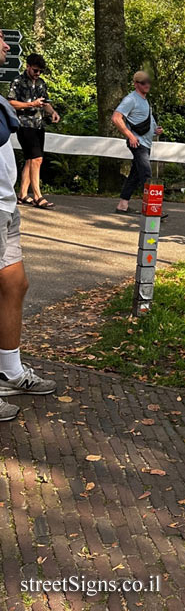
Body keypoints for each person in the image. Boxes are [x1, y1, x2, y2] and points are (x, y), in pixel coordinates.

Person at [0, 31, 57, 420]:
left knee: (15, 283)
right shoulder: (18, 86)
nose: (6, 46)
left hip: (5, 204)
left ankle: (9, 371)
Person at [7, 53, 60, 209]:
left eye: (40, 71)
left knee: (31, 159)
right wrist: (31, 105)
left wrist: (52, 112)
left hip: (38, 124)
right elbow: (10, 102)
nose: (38, 74)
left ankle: (22, 194)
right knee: (37, 159)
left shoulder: (41, 83)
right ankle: (38, 196)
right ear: (28, 67)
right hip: (24, 124)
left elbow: (45, 103)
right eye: (35, 70)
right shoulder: (18, 82)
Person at [111, 71, 163, 214]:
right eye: (143, 82)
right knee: (146, 174)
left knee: (134, 175)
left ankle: (122, 205)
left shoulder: (145, 101)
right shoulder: (131, 99)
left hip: (146, 143)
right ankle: (152, 208)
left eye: (148, 82)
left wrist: (155, 130)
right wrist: (130, 136)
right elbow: (116, 118)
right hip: (137, 144)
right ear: (136, 84)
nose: (147, 85)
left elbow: (145, 120)